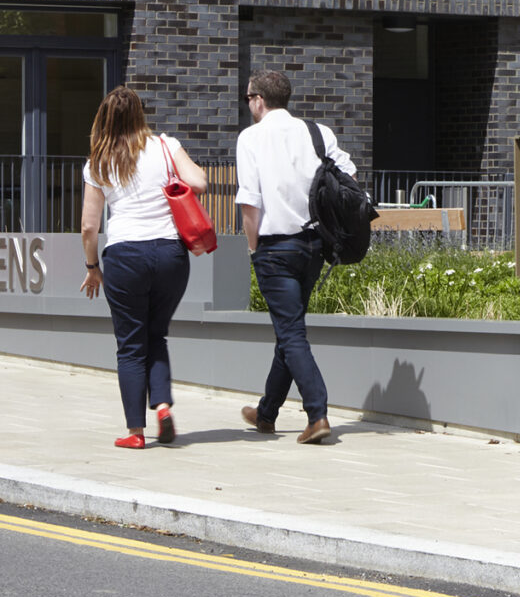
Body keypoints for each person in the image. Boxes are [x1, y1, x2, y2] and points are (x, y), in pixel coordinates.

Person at [79, 85, 210, 450]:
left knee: (131, 345)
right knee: (157, 335)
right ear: (140, 115)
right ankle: (163, 407)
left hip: (125, 257)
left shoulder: (97, 162)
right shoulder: (166, 146)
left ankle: (136, 432)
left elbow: (90, 226)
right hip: (170, 254)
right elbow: (200, 182)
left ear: (104, 118)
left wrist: (92, 266)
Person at [234, 67, 354, 444]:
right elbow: (348, 174)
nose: (248, 104)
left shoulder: (251, 138)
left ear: (258, 99)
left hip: (274, 249)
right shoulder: (318, 133)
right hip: (314, 245)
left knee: (291, 332)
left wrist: (253, 250)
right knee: (289, 332)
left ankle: (317, 414)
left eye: (248, 98)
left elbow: (250, 201)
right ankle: (267, 413)